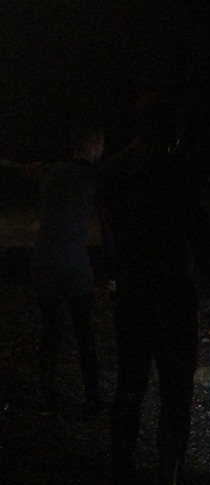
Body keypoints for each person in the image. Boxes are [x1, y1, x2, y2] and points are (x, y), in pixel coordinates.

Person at [99, 91, 210, 485]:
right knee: (175, 393)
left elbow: (110, 233)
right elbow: (202, 237)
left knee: (130, 387)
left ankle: (120, 478)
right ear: (171, 130)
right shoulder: (176, 172)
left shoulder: (113, 170)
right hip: (173, 294)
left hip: (134, 292)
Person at [31, 122, 105, 415]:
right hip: (72, 261)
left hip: (43, 259)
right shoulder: (92, 176)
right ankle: (92, 397)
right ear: (95, 146)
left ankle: (47, 393)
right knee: (84, 331)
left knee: (51, 330)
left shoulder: (51, 172)